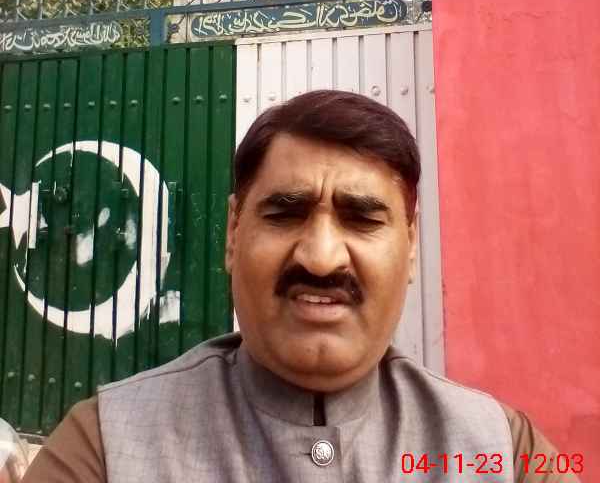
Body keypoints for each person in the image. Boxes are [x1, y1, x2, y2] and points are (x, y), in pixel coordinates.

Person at [23, 90, 580, 482]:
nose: (320, 257)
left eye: (362, 219)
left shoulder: (504, 452)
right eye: (285, 214)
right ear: (233, 234)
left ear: (410, 245)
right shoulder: (104, 448)